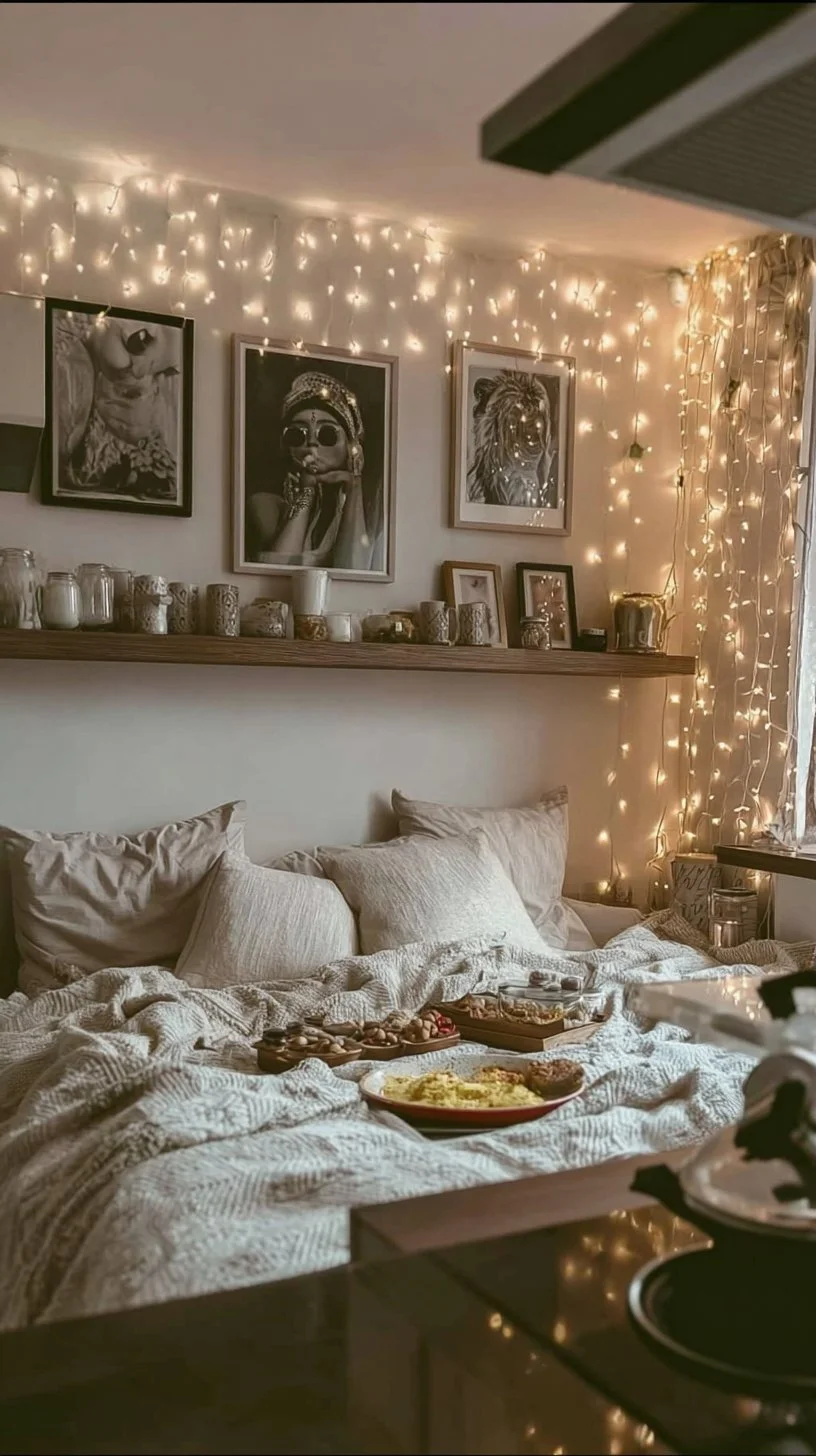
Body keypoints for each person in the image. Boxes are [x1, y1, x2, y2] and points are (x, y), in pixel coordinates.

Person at [247, 371, 380, 570]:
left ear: (351, 447)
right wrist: (306, 492)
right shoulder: (266, 503)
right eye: (297, 434)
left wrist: (354, 488)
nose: (311, 444)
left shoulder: (373, 503)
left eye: (327, 434)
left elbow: (353, 570)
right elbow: (277, 568)